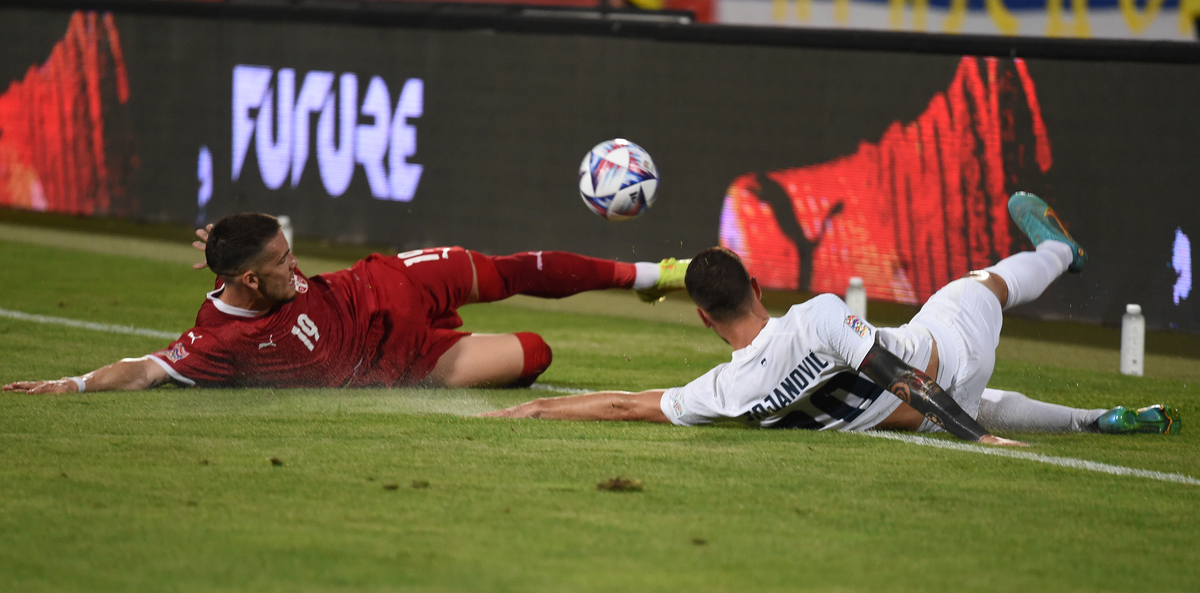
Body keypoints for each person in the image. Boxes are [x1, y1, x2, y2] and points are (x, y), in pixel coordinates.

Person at [483, 193, 1181, 440]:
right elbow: (892, 365)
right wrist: (976, 435)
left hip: (931, 411)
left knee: (984, 400)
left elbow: (627, 407)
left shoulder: (724, 392)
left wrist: (540, 412)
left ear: (702, 318)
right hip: (946, 355)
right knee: (985, 284)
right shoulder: (816, 316)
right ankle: (1060, 252)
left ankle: (1096, 417)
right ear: (756, 284)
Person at [3, 213, 689, 394]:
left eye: (290, 251)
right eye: (280, 265)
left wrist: (233, 239)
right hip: (416, 360)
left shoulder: (266, 269)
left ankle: (651, 273)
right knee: (536, 351)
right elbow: (144, 368)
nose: (298, 270)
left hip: (392, 283)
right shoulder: (220, 342)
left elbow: (250, 248)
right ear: (246, 283)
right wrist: (72, 382)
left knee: (511, 270)